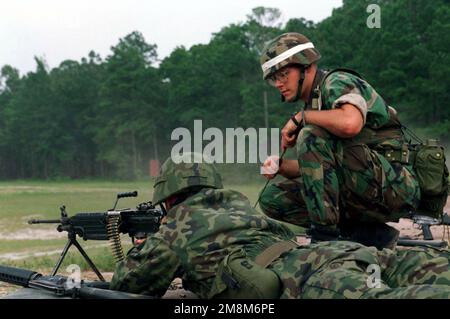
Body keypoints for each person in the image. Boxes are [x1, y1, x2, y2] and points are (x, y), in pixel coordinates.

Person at [110, 154, 450, 299]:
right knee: (433, 269)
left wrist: (144, 248)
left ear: (167, 198)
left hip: (312, 279)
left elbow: (129, 283)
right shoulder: (238, 203)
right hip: (336, 253)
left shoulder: (174, 229)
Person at [258, 32, 421, 249]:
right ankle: (371, 235)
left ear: (306, 67)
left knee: (310, 134)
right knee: (271, 197)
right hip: (366, 186)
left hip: (397, 187)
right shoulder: (314, 106)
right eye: (274, 79)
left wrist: (301, 119)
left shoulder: (336, 82)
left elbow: (350, 123)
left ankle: (325, 239)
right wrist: (281, 166)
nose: (278, 84)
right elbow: (321, 166)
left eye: (284, 74)